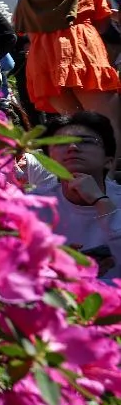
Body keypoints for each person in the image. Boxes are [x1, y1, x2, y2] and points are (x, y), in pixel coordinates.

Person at [13, 0, 121, 141]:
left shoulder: (24, 0)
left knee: (76, 125)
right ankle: (110, 171)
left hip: (44, 64)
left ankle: (89, 170)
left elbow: (29, 36)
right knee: (108, 121)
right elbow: (103, 25)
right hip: (82, 53)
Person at [21, 111, 121, 279]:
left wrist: (100, 201)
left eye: (86, 141)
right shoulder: (34, 205)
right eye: (61, 143)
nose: (72, 147)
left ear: (109, 161)